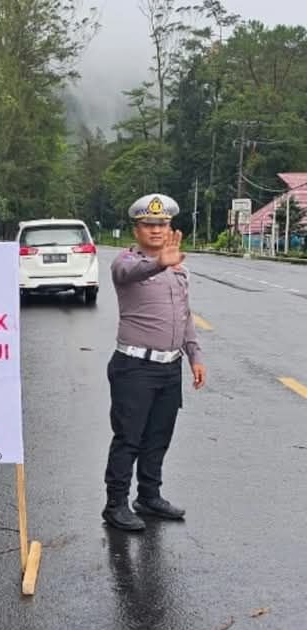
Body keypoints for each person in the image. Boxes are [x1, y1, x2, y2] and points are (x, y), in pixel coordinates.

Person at [102, 194, 206, 532]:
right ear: (136, 229)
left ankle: (149, 496)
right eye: (149, 224)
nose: (157, 229)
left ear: (170, 227)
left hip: (169, 367)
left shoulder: (179, 269)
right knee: (128, 438)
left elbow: (185, 315)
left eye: (162, 224)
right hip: (134, 368)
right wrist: (161, 262)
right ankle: (115, 504)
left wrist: (194, 355)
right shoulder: (125, 264)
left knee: (158, 437)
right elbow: (134, 272)